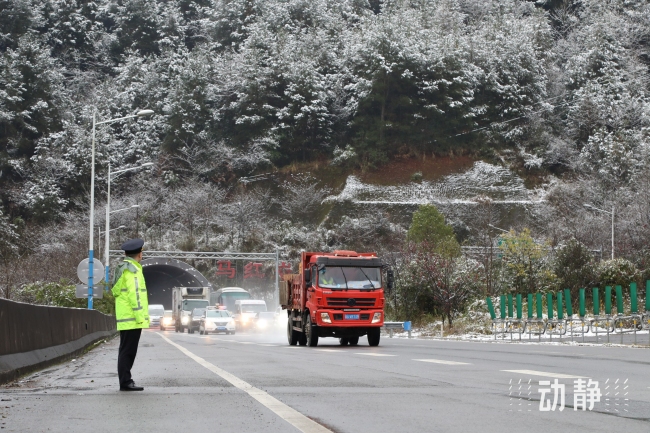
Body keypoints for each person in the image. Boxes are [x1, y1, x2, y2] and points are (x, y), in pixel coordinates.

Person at [111, 238, 149, 391]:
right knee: (128, 351)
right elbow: (136, 296)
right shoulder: (133, 271)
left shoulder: (122, 269)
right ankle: (126, 382)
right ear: (140, 254)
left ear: (126, 254)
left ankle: (125, 380)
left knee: (125, 350)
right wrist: (141, 318)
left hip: (125, 318)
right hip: (132, 319)